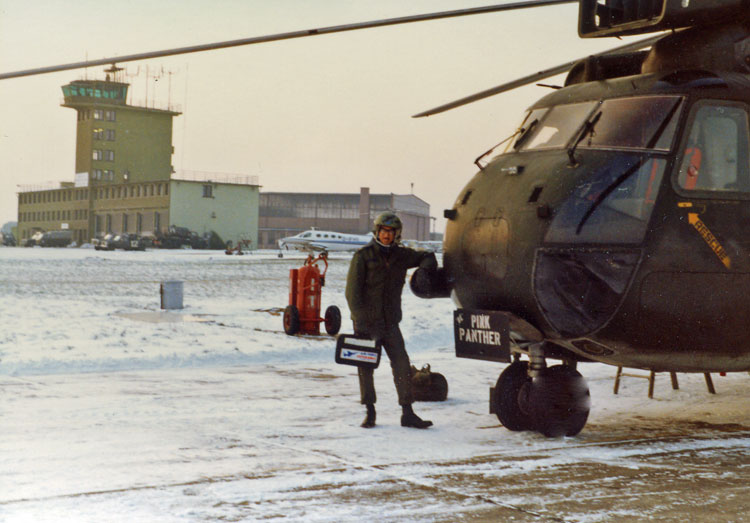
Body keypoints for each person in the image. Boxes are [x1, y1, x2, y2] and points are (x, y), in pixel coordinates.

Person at [345, 211, 437, 429]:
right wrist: (360, 322)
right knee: (366, 368)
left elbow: (428, 256)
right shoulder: (363, 256)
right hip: (367, 324)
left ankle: (407, 412)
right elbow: (352, 294)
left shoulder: (401, 256)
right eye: (383, 231)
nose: (387, 236)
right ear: (377, 232)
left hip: (390, 323)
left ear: (397, 234)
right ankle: (370, 411)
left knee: (402, 365)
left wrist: (424, 272)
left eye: (391, 232)